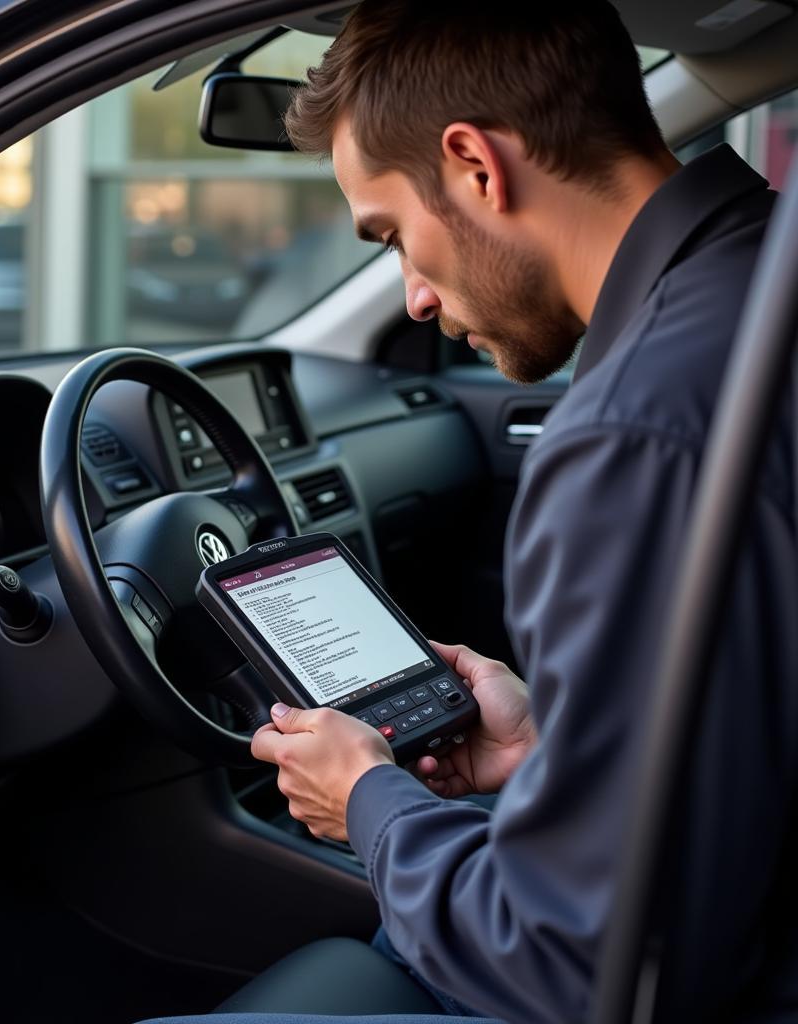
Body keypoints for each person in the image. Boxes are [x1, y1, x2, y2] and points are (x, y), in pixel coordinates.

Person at [145, 2, 798, 1022]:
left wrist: (369, 801)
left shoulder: (628, 439)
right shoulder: (761, 287)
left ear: (474, 168)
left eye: (394, 235)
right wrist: (550, 749)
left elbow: (573, 967)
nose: (409, 293)